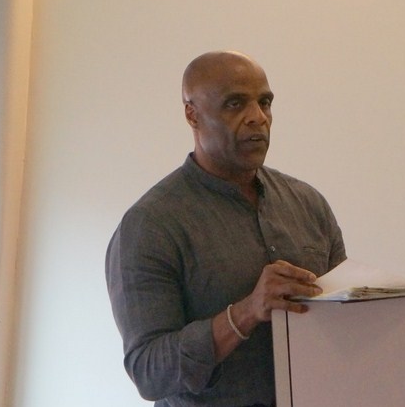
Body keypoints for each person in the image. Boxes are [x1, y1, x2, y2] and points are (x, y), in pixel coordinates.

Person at [105, 50, 347, 406]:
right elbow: (149, 372)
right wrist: (245, 313)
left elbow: (345, 323)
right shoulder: (150, 225)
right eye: (235, 104)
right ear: (192, 114)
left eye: (265, 103)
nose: (258, 117)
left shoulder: (308, 204)